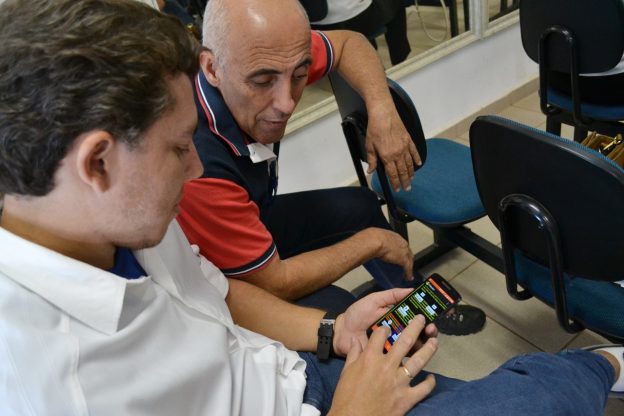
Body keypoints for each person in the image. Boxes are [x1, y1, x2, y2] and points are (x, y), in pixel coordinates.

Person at [0, 1, 623, 415]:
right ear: (97, 163)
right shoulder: (56, 385)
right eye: (175, 150)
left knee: (502, 386)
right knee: (542, 395)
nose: (190, 167)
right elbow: (262, 279)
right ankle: (602, 366)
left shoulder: (115, 219)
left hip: (285, 366)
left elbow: (216, 293)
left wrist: (331, 330)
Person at [175, 0, 485, 334]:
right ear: (211, 69)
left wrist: (383, 111)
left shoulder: (271, 53)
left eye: (299, 76)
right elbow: (275, 282)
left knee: (360, 206)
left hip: (250, 212)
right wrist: (372, 243)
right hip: (219, 281)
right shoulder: (198, 164)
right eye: (263, 81)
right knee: (336, 311)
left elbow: (351, 43)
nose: (287, 103)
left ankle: (419, 309)